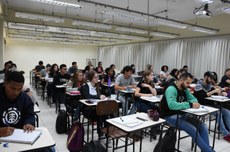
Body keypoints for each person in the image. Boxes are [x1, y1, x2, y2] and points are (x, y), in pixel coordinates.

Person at [160, 72, 214, 152]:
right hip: (169, 116)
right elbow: (172, 105)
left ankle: (205, 150)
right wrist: (189, 104)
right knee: (193, 130)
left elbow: (194, 99)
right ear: (181, 80)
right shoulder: (171, 89)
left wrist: (190, 103)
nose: (189, 85)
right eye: (187, 82)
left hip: (182, 114)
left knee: (203, 127)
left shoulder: (185, 89)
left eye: (190, 83)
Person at [194, 71, 230, 142]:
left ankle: (229, 130)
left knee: (227, 112)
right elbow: (202, 96)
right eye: (211, 79)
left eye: (213, 79)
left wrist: (221, 92)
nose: (212, 81)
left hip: (212, 105)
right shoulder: (198, 85)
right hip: (202, 105)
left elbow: (215, 93)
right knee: (218, 113)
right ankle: (225, 134)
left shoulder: (210, 85)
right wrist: (213, 91)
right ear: (206, 77)